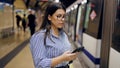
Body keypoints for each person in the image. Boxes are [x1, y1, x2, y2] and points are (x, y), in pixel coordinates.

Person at [30, 2, 78, 68]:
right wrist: (62, 58)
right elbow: (39, 64)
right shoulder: (40, 36)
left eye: (64, 16)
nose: (62, 19)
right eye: (58, 16)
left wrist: (70, 57)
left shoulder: (63, 35)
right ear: (49, 17)